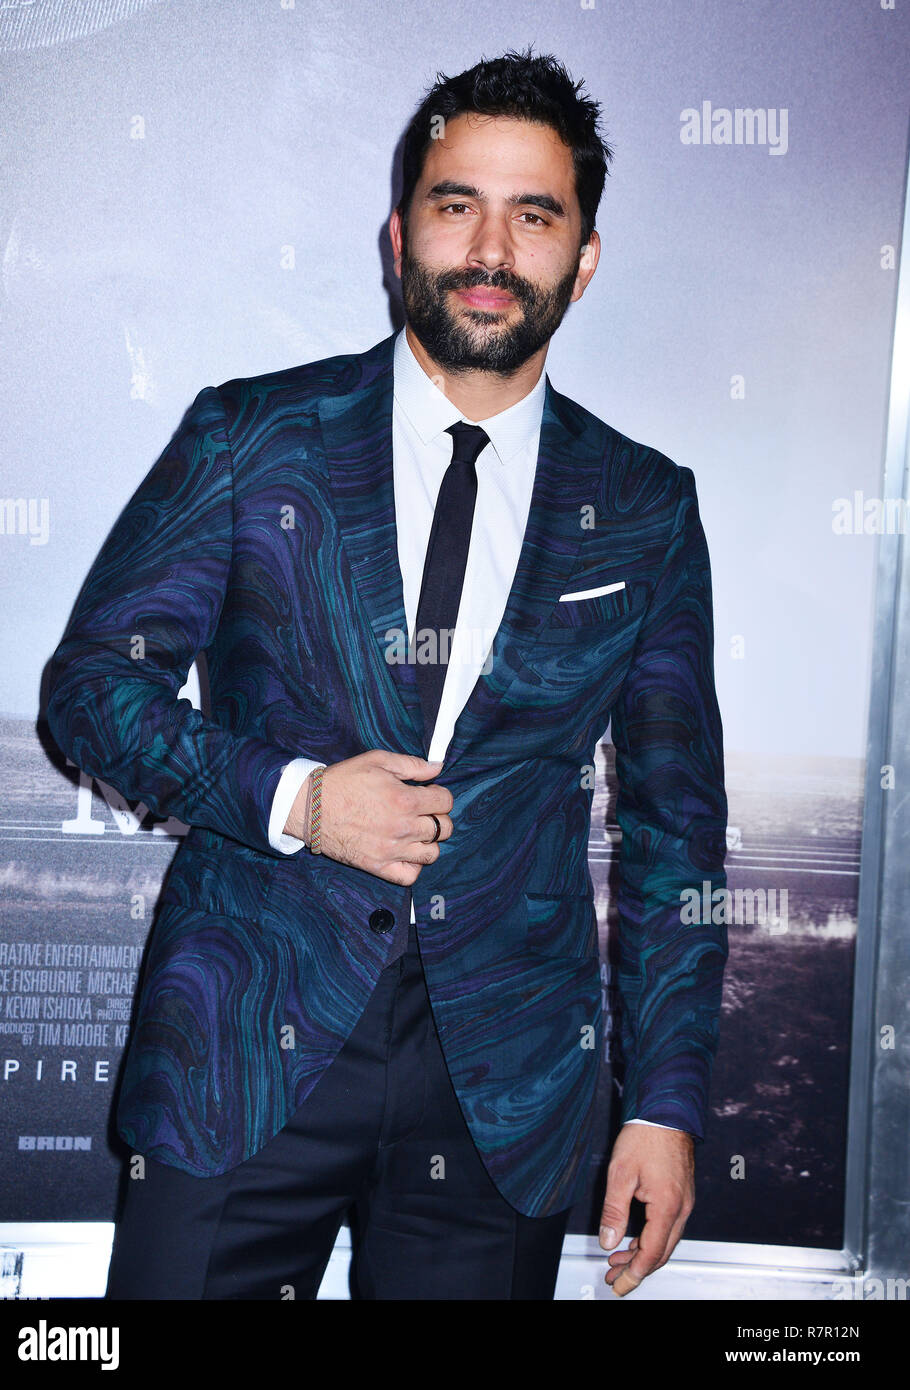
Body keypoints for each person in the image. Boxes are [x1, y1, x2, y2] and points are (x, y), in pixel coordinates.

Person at [45, 49, 728, 1301]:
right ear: (398, 231)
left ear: (582, 260)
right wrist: (300, 798)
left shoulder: (645, 507)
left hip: (502, 1093)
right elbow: (95, 689)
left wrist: (668, 1100)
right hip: (245, 1050)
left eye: (535, 215)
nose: (489, 247)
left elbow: (677, 832)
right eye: (455, 202)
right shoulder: (251, 436)